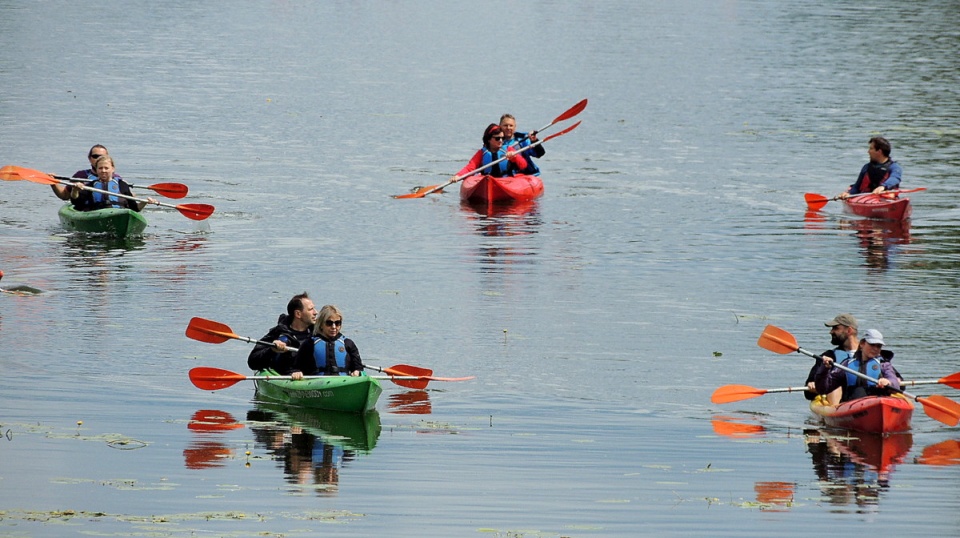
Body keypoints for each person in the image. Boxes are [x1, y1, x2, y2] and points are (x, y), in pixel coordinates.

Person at [814, 329, 901, 406]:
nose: (875, 348)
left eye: (878, 346)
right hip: (851, 406)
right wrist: (825, 368)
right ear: (862, 344)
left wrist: (888, 382)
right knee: (859, 391)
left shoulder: (884, 365)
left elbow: (895, 383)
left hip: (877, 403)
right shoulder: (846, 365)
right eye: (872, 345)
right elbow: (823, 388)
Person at [288, 305, 364, 379]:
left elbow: (358, 367)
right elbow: (296, 367)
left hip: (343, 382)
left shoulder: (348, 344)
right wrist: (297, 372)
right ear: (321, 324)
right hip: (317, 383)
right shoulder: (309, 344)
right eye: (329, 323)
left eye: (337, 323)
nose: (334, 327)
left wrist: (357, 371)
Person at [247, 292, 318, 372]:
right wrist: (272, 350)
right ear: (298, 314)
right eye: (310, 309)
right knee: (283, 339)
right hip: (287, 376)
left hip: (314, 376)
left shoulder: (318, 333)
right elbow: (252, 362)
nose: (316, 312)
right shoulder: (278, 333)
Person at [69, 155, 155, 212]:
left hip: (119, 213)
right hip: (97, 214)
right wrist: (75, 190)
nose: (103, 171)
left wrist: (145, 202)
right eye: (100, 168)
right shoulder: (91, 186)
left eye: (106, 168)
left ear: (113, 169)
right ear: (96, 170)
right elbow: (77, 204)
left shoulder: (122, 185)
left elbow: (135, 208)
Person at [804, 314, 860, 400]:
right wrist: (813, 386)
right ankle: (837, 411)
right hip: (838, 403)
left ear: (849, 330)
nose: (831, 332)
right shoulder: (827, 357)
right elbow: (808, 394)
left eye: (835, 328)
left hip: (863, 398)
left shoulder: (870, 354)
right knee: (836, 387)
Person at [452, 124, 529, 181]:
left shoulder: (508, 149)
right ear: (489, 139)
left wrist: (514, 157)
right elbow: (470, 168)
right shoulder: (481, 153)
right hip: (487, 180)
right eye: (497, 138)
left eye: (502, 138)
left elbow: (523, 165)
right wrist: (458, 176)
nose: (501, 141)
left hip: (506, 180)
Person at [838, 137, 902, 199]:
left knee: (890, 195)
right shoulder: (866, 167)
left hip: (886, 197)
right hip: (866, 198)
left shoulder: (895, 167)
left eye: (871, 149)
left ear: (879, 151)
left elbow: (895, 178)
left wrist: (883, 187)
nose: (868, 152)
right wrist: (849, 194)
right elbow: (857, 186)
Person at [52, 144, 120, 200]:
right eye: (95, 156)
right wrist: (54, 183)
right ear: (89, 158)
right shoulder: (80, 175)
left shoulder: (117, 179)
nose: (99, 159)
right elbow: (65, 196)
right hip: (89, 209)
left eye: (102, 156)